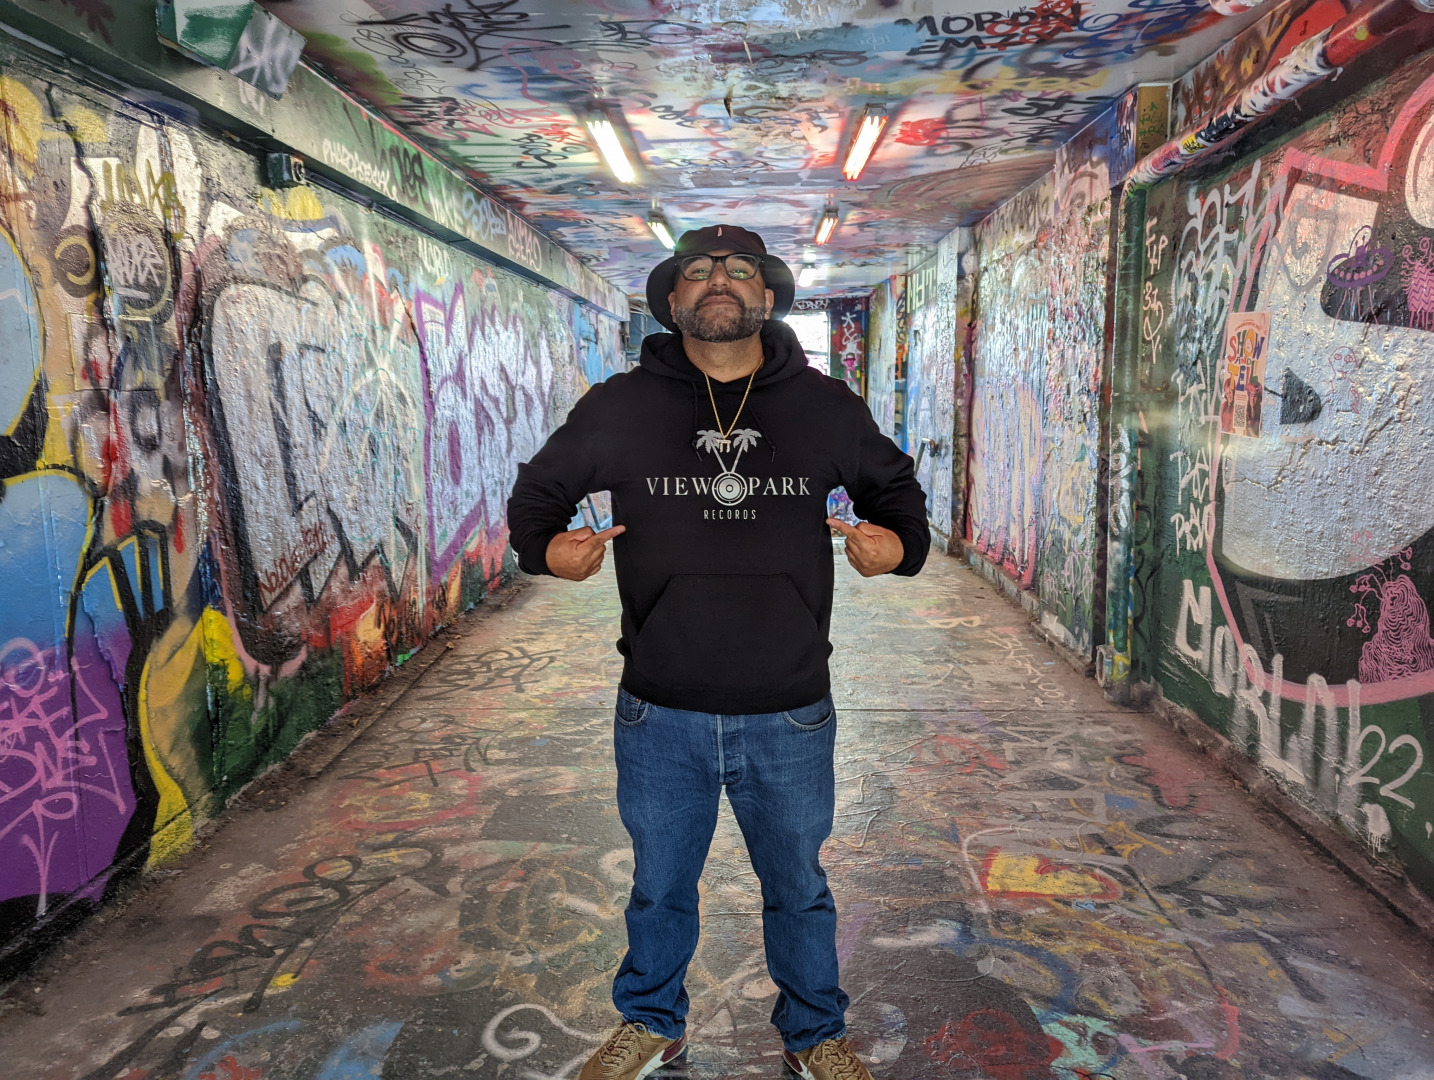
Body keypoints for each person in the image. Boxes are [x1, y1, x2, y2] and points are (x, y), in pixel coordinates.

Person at [506, 224, 929, 1080]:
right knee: (660, 886)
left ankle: (814, 1034)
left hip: (790, 703)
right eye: (697, 271)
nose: (719, 280)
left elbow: (897, 493)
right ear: (673, 301)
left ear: (768, 296)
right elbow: (537, 494)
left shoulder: (824, 406)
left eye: (740, 269)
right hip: (661, 704)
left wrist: (897, 545)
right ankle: (652, 1023)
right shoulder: (621, 405)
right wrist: (549, 550)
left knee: (798, 887)